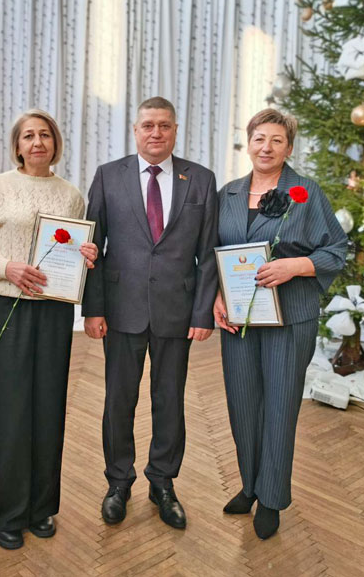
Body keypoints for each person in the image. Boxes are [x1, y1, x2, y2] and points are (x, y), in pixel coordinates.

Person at [0, 109, 98, 550]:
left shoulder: (71, 196)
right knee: (11, 410)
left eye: (45, 135)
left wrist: (88, 255)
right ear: (17, 146)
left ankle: (41, 508)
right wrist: (7, 267)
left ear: (55, 143)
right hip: (10, 309)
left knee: (49, 408)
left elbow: (74, 251)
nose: (37, 142)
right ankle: (8, 512)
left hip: (55, 312)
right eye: (28, 136)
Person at [82, 97, 219, 529]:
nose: (155, 133)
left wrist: (203, 313)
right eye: (148, 125)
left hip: (177, 310)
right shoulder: (108, 175)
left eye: (164, 125)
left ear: (175, 130)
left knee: (170, 400)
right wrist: (93, 308)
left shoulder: (201, 179)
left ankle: (163, 482)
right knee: (118, 401)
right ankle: (118, 482)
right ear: (135, 130)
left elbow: (208, 254)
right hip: (120, 310)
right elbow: (93, 248)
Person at [213, 108, 346, 540]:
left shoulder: (306, 192)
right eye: (259, 139)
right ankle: (250, 485)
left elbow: (336, 250)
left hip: (290, 318)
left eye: (276, 140)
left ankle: (271, 497)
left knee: (279, 407)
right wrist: (217, 296)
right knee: (243, 404)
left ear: (288, 147)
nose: (266, 147)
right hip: (239, 319)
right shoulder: (229, 193)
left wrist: (296, 266)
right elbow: (213, 252)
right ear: (248, 143)